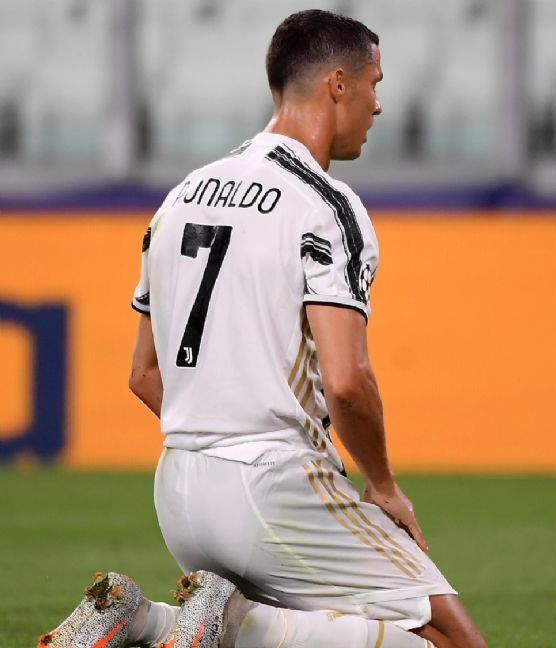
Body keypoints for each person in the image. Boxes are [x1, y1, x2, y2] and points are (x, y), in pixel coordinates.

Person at [38, 10, 487, 648]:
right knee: (452, 639)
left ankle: (142, 619)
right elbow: (347, 382)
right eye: (374, 83)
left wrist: (217, 435)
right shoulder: (326, 205)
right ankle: (233, 624)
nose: (378, 105)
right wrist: (383, 485)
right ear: (338, 84)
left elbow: (143, 373)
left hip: (179, 489)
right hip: (274, 485)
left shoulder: (181, 197)